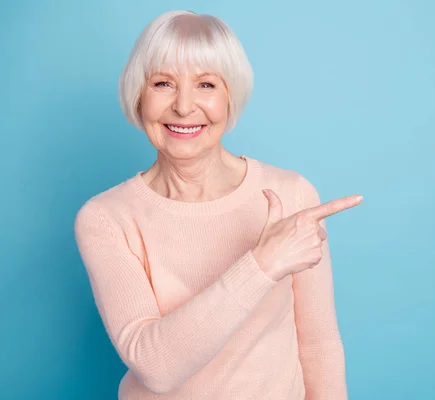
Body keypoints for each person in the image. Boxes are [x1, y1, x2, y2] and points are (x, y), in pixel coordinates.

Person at [74, 10, 363, 399]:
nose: (183, 106)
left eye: (206, 84)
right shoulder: (106, 218)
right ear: (138, 95)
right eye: (163, 83)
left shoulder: (291, 194)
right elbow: (156, 366)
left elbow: (319, 345)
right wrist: (263, 264)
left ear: (231, 96)